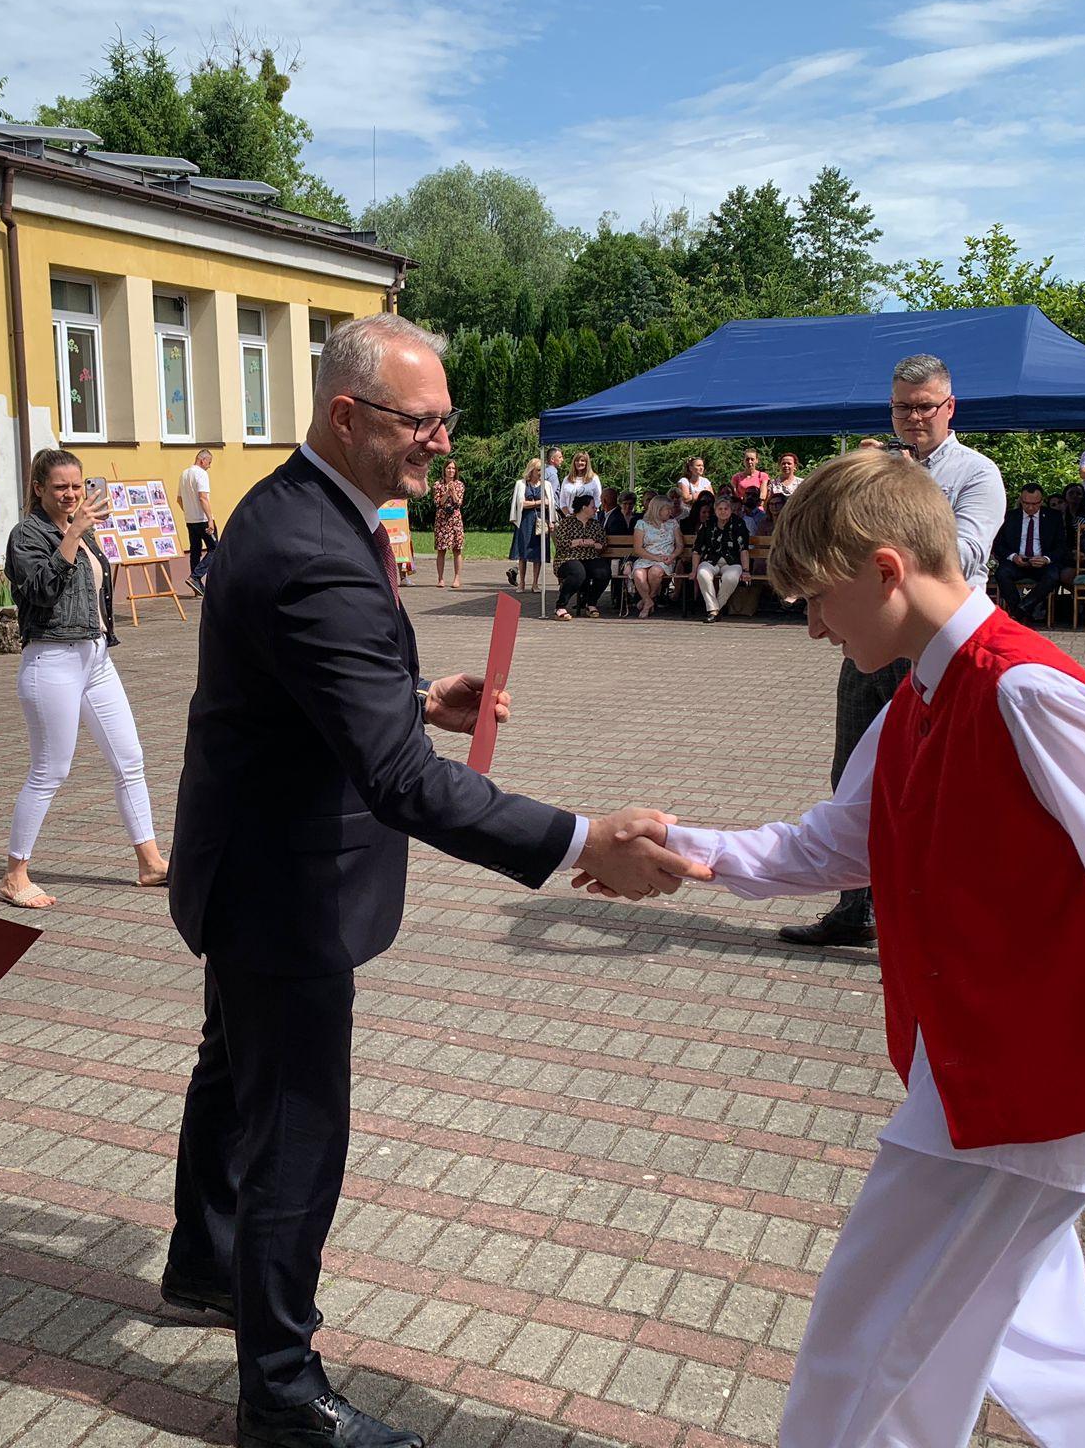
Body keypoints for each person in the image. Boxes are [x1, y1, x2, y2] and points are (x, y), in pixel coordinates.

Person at [604, 445, 1085, 1448]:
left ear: (885, 571)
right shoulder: (919, 695)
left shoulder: (1025, 694)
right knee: (1029, 1340)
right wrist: (681, 846)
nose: (813, 626)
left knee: (868, 1341)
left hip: (1022, 1087)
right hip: (979, 1079)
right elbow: (833, 843)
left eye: (817, 600)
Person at [165, 313, 694, 1448]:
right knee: (295, 1133)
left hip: (246, 867)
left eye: (445, 421)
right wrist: (580, 841)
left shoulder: (297, 506)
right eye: (421, 422)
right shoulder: (312, 547)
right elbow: (402, 784)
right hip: (284, 894)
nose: (442, 443)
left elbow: (307, 686)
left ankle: (207, 1264)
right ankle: (279, 1395)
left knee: (233, 1070)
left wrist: (405, 697)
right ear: (344, 414)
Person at [781, 354, 1004, 949]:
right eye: (902, 407)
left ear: (949, 407)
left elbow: (965, 555)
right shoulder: (875, 468)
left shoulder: (977, 473)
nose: (913, 418)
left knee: (933, 788)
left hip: (937, 650)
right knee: (852, 772)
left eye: (925, 406)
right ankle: (857, 909)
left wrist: (907, 493)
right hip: (870, 642)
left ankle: (932, 917)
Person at [0, 449, 167, 908]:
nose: (71, 494)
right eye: (60, 487)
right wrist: (72, 534)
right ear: (39, 489)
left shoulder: (81, 530)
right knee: (50, 769)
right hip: (52, 660)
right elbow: (40, 591)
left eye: (77, 486)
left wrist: (77, 532)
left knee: (129, 759)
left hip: (96, 658)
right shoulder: (27, 535)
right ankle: (15, 875)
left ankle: (151, 863)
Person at [992, 483, 1067, 625]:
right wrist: (1013, 556)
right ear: (1021, 500)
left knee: (1052, 576)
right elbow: (998, 545)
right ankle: (1021, 613)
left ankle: (1020, 611)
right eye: (1026, 503)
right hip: (1016, 561)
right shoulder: (1010, 517)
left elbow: (1061, 547)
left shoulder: (1053, 517)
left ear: (1041, 501)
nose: (1030, 508)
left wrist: (1046, 559)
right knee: (1002, 573)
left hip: (1042, 563)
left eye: (1035, 504)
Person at [551, 492, 611, 619]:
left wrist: (592, 544)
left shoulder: (595, 524)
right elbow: (561, 543)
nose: (596, 509)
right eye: (593, 507)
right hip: (568, 558)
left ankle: (591, 603)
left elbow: (603, 544)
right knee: (578, 572)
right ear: (584, 508)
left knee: (604, 572)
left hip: (590, 557)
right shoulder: (567, 523)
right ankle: (560, 606)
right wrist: (580, 542)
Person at [694, 492, 752, 622]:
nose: (723, 511)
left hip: (732, 561)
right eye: (720, 509)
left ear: (731, 510)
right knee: (702, 573)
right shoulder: (708, 523)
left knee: (730, 578)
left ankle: (714, 610)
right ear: (715, 510)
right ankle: (714, 610)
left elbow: (743, 549)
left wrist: (746, 570)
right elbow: (697, 549)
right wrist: (693, 570)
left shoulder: (738, 523)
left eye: (726, 508)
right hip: (710, 560)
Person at [629, 491, 683, 618]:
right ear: (658, 509)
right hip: (647, 557)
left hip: (665, 559)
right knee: (638, 574)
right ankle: (648, 601)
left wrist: (672, 556)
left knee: (655, 572)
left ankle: (647, 600)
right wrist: (655, 558)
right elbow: (638, 549)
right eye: (667, 509)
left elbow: (680, 545)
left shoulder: (673, 524)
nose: (670, 512)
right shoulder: (641, 524)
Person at [507, 459, 550, 591]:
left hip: (541, 520)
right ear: (531, 470)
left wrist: (550, 519)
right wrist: (539, 502)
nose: (540, 473)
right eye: (538, 470)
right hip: (525, 521)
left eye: (542, 470)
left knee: (538, 553)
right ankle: (522, 583)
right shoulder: (521, 484)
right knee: (523, 553)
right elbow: (521, 504)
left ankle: (535, 583)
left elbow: (549, 503)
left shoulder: (546, 485)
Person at [181, 448, 217, 594]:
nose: (209, 466)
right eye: (209, 462)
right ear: (202, 460)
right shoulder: (201, 474)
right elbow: (203, 498)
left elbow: (179, 499)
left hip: (190, 520)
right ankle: (195, 577)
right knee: (215, 549)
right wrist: (210, 520)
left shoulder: (184, 474)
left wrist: (189, 511)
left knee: (195, 550)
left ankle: (196, 586)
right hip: (203, 519)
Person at [430, 458, 466, 590]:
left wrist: (453, 492)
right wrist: (446, 493)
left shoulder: (460, 485)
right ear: (444, 470)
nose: (451, 470)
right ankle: (440, 579)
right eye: (449, 468)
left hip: (455, 519)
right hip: (442, 519)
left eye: (453, 468)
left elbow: (458, 502)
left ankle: (457, 578)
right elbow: (438, 502)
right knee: (441, 550)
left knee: (457, 549)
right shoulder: (437, 484)